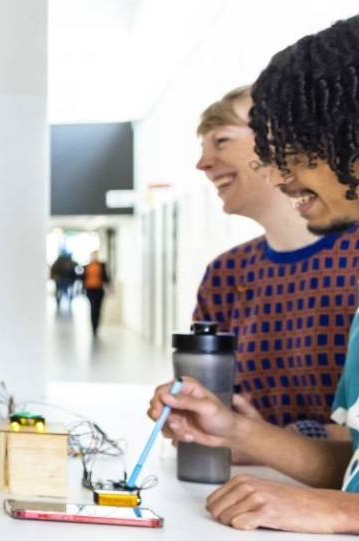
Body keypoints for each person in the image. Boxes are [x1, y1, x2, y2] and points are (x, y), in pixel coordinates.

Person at [150, 15, 359, 534]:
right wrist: (234, 430)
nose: (280, 169)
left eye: (296, 145)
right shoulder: (229, 272)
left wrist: (340, 511)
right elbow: (348, 469)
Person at [189, 85, 359, 440]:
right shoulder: (225, 273)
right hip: (248, 486)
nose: (203, 164)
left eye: (221, 141)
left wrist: (274, 440)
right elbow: (213, 402)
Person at [81, 250, 112, 334]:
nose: (94, 257)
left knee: (98, 308)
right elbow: (83, 278)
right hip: (90, 289)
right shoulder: (86, 266)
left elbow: (106, 277)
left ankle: (97, 325)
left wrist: (109, 287)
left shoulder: (101, 265)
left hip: (99, 290)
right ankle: (93, 326)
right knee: (93, 307)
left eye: (96, 255)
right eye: (93, 255)